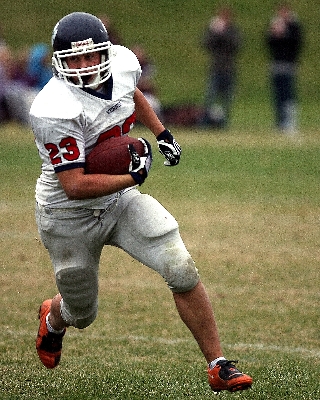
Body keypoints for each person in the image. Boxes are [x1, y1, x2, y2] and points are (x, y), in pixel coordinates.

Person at [30, 12, 253, 394]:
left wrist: (161, 132)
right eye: (75, 60)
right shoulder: (53, 108)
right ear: (59, 62)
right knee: (82, 313)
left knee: (179, 264)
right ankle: (54, 318)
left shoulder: (122, 63)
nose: (85, 67)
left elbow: (130, 92)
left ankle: (218, 365)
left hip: (119, 199)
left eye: (91, 57)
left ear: (105, 54)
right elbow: (73, 185)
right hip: (68, 215)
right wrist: (133, 175)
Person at [265, 3, 303, 133]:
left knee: (288, 94)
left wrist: (284, 33)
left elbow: (296, 43)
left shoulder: (294, 26)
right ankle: (280, 122)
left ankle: (291, 121)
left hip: (288, 64)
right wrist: (274, 33)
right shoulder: (275, 24)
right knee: (278, 95)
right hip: (276, 64)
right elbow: (269, 43)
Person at [202, 6, 242, 129]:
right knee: (210, 96)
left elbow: (236, 44)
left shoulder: (233, 30)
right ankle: (205, 122)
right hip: (216, 67)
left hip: (228, 68)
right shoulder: (214, 30)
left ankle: (224, 123)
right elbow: (206, 43)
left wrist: (223, 33)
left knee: (227, 98)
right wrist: (215, 32)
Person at [131, 44, 162, 118]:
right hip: (129, 96)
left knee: (151, 103)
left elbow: (150, 86)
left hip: (145, 95)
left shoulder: (148, 68)